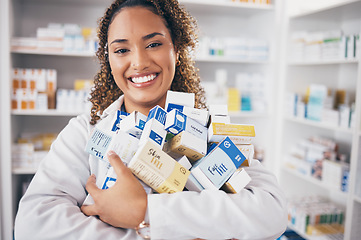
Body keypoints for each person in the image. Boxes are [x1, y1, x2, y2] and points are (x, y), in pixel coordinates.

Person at [14, 0, 288, 239]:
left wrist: (145, 212)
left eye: (154, 44)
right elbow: (33, 224)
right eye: (122, 50)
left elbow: (271, 212)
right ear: (108, 60)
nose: (139, 62)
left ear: (176, 51)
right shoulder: (86, 130)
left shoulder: (208, 127)